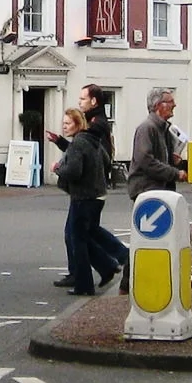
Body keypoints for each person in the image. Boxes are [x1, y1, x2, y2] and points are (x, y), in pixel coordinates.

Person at [52, 105, 122, 293]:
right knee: (85, 236)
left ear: (77, 124)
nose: (64, 127)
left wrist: (57, 168)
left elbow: (74, 171)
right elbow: (106, 160)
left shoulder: (79, 143)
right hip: (96, 195)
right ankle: (108, 266)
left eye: (67, 123)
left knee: (78, 240)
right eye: (63, 123)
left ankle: (85, 283)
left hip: (84, 197)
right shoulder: (91, 140)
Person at [129, 89, 186, 200]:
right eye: (170, 101)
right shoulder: (146, 128)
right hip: (147, 191)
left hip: (159, 190)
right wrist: (175, 174)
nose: (174, 105)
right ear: (158, 106)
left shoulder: (164, 129)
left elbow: (158, 159)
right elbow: (146, 162)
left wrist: (172, 160)